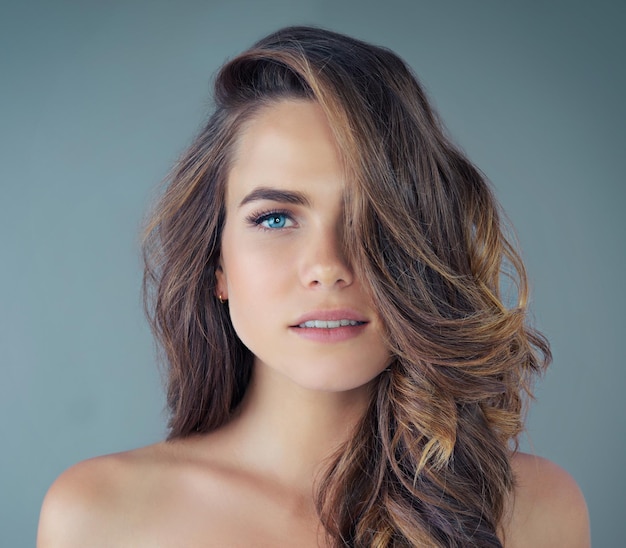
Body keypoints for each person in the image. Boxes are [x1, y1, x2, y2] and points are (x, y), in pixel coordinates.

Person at [37, 26, 590, 547]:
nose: (328, 267)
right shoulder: (96, 516)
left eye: (372, 217)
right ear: (218, 266)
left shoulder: (536, 510)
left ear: (426, 246)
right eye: (275, 218)